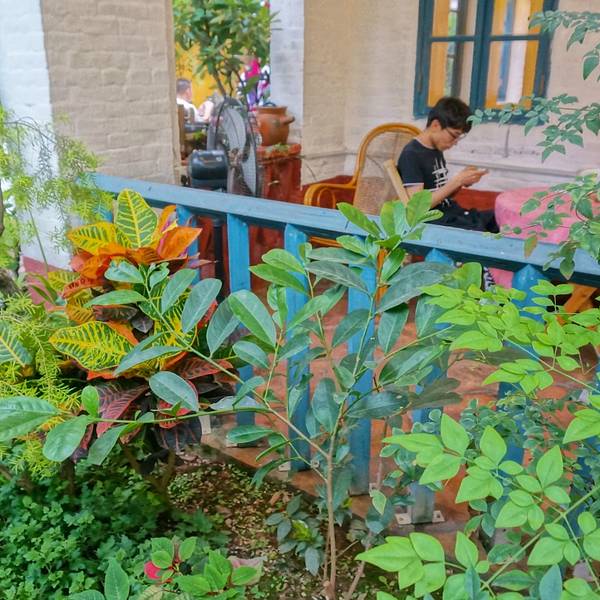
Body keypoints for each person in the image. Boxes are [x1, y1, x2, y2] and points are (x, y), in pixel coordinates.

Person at [397, 96, 499, 233]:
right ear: (436, 125)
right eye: (454, 135)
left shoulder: (435, 149)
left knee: (499, 218)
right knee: (483, 234)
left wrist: (462, 182)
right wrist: (457, 181)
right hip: (435, 223)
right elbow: (417, 209)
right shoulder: (411, 154)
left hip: (451, 214)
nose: (455, 142)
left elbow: (441, 193)